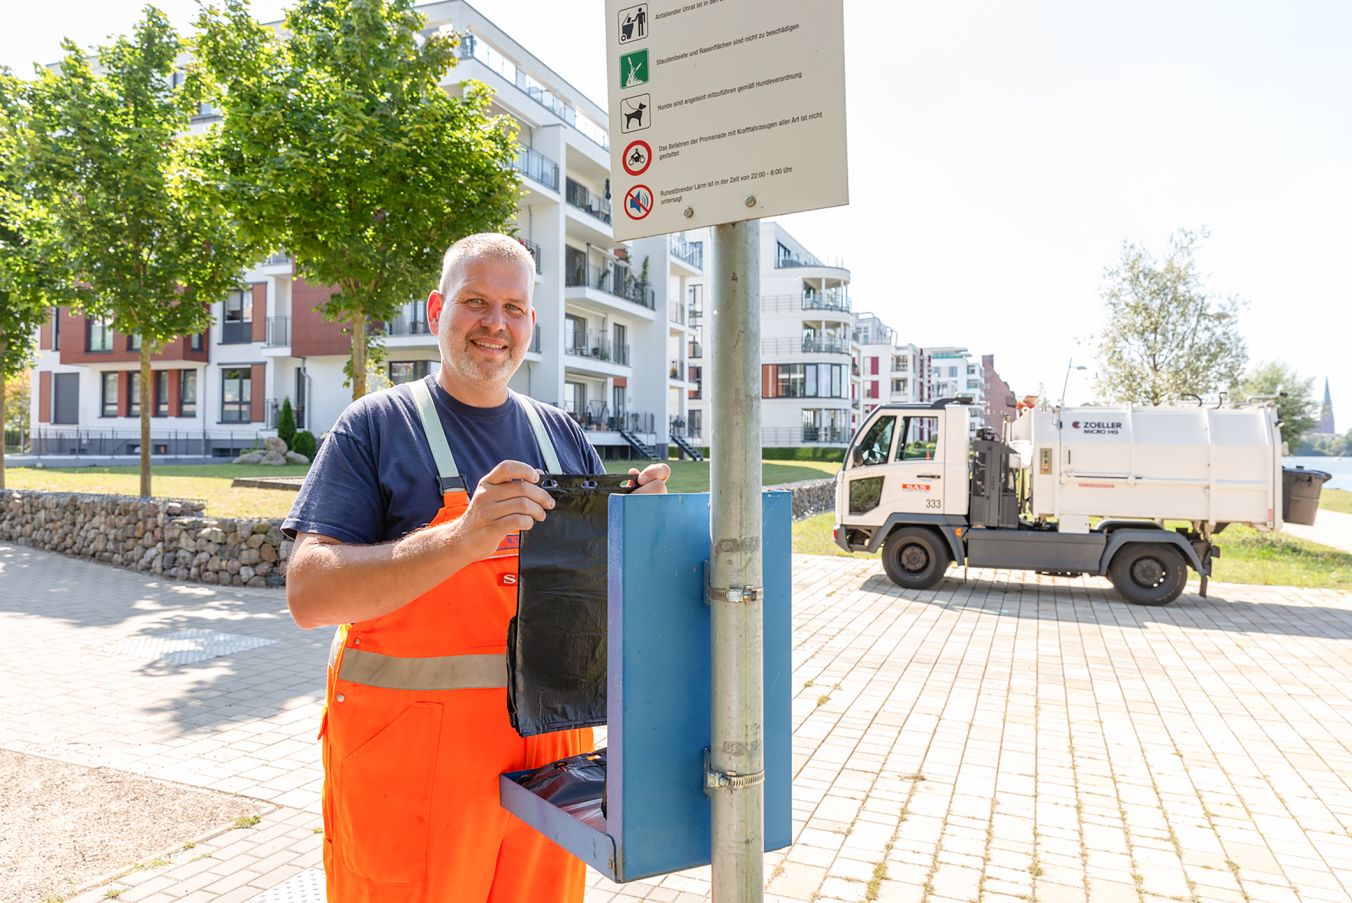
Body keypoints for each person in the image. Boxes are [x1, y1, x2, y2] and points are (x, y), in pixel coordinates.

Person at [282, 232, 670, 903]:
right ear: (437, 310)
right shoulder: (375, 426)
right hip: (410, 767)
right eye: (476, 301)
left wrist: (643, 536)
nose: (495, 322)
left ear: (531, 323)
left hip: (550, 759)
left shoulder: (562, 435)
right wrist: (461, 538)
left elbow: (610, 601)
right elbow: (308, 594)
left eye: (513, 308)